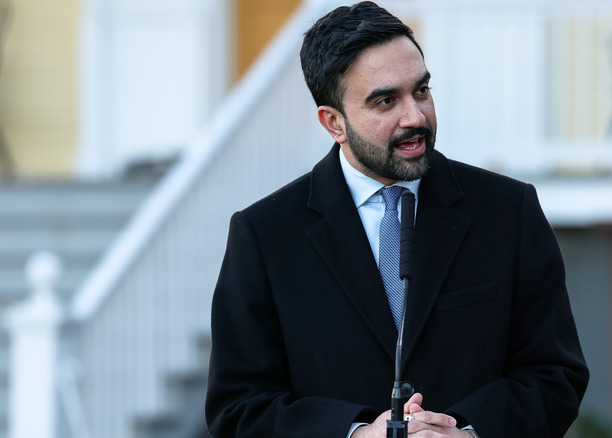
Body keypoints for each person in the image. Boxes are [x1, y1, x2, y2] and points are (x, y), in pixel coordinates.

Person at [205, 2, 588, 437]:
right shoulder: (265, 235)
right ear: (334, 123)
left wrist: (467, 432)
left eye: (421, 91)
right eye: (386, 100)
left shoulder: (509, 210)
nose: (415, 116)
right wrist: (352, 433)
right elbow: (238, 408)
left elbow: (555, 375)